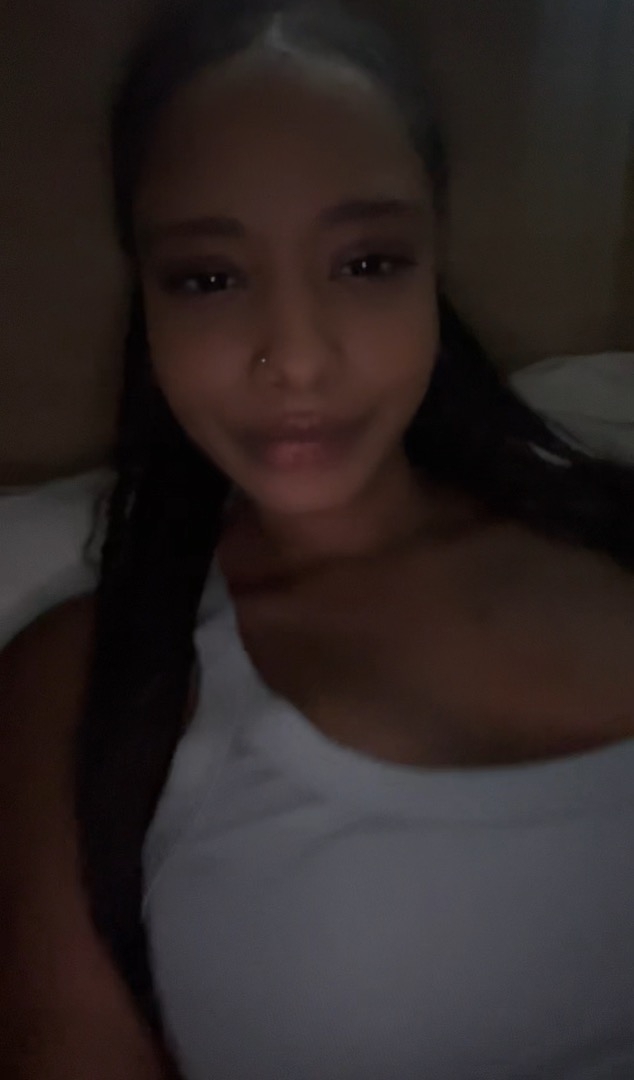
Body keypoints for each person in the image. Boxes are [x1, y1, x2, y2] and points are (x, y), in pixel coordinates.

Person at [2, 1, 634, 1077]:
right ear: (148, 297)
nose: (295, 357)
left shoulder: (609, 530)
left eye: (367, 262)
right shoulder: (83, 694)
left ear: (432, 260)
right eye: (210, 278)